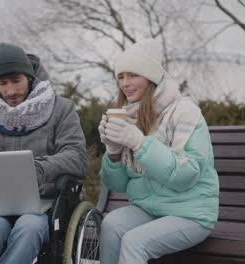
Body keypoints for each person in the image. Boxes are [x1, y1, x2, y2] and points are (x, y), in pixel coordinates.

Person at [0, 42, 89, 264]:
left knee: (29, 227)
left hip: (42, 204)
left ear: (30, 77)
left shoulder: (61, 109)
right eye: (3, 83)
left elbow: (78, 157)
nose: (11, 91)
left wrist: (41, 167)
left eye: (17, 81)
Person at [98, 39, 219, 263]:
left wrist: (140, 143)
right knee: (111, 224)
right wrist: (113, 153)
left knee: (135, 241)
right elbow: (119, 186)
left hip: (190, 214)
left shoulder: (185, 112)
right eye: (121, 77)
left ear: (151, 77)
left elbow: (186, 174)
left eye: (133, 75)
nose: (125, 83)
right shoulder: (128, 116)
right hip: (149, 209)